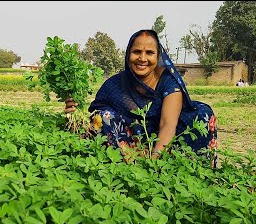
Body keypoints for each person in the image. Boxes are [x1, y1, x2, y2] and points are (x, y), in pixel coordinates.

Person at [65, 29, 218, 167]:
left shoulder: (169, 82)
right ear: (128, 54)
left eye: (149, 53)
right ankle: (130, 169)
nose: (142, 58)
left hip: (166, 142)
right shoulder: (115, 84)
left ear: (158, 57)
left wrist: (154, 162)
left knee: (202, 114)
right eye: (136, 52)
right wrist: (75, 114)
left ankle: (191, 170)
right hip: (130, 145)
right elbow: (95, 117)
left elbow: (168, 124)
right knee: (103, 115)